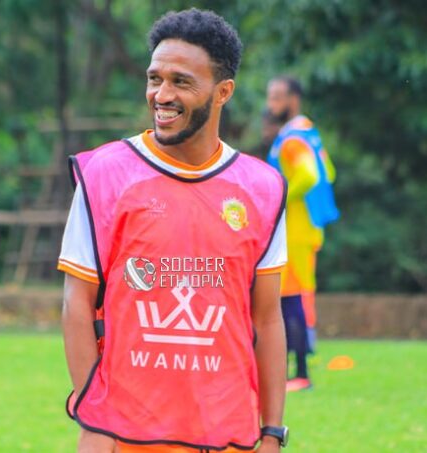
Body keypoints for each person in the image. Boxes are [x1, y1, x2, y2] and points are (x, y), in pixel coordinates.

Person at [58, 9, 289, 453]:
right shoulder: (106, 174)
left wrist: (272, 431)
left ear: (223, 92)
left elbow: (267, 317)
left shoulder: (261, 188)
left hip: (228, 433)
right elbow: (76, 303)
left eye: (181, 82)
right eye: (155, 79)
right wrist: (96, 419)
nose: (162, 95)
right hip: (127, 435)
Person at [265, 77, 338, 392]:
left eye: (276, 97)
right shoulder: (309, 133)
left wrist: (280, 198)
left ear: (293, 99)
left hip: (294, 230)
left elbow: (309, 175)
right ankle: (295, 370)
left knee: (290, 298)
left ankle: (301, 374)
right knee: (296, 296)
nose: (271, 105)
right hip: (307, 229)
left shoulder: (292, 139)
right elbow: (329, 172)